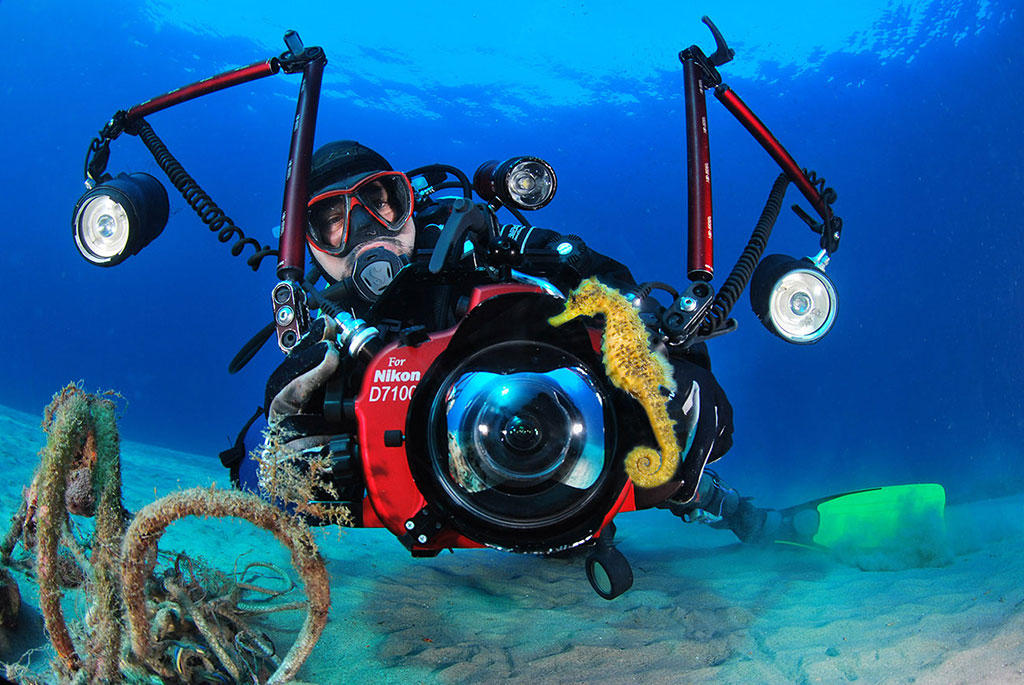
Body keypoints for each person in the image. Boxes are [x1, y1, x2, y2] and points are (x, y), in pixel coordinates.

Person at [220, 140, 773, 543]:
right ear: (307, 248)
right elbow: (252, 471)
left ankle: (717, 502)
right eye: (332, 220)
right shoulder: (323, 334)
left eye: (378, 199)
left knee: (668, 459)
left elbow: (624, 298)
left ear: (407, 200)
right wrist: (288, 461)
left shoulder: (493, 250)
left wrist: (679, 363)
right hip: (453, 496)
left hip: (584, 454)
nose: (367, 228)